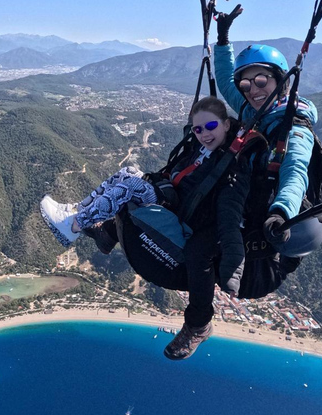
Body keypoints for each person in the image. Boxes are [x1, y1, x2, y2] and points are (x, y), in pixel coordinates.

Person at [40, 96, 256, 359]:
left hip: (180, 211)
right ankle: (84, 217)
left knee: (130, 187)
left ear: (225, 124)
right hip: (171, 197)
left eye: (210, 126)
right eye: (197, 129)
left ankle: (73, 225)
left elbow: (229, 211)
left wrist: (233, 266)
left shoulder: (231, 163)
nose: (203, 134)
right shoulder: (201, 149)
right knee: (127, 172)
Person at [214, 5, 321, 252]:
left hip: (270, 211)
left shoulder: (294, 127)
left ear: (280, 80)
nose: (253, 89)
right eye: (246, 84)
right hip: (247, 195)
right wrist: (223, 39)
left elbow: (295, 172)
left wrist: (281, 213)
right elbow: (224, 81)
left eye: (261, 80)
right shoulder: (253, 109)